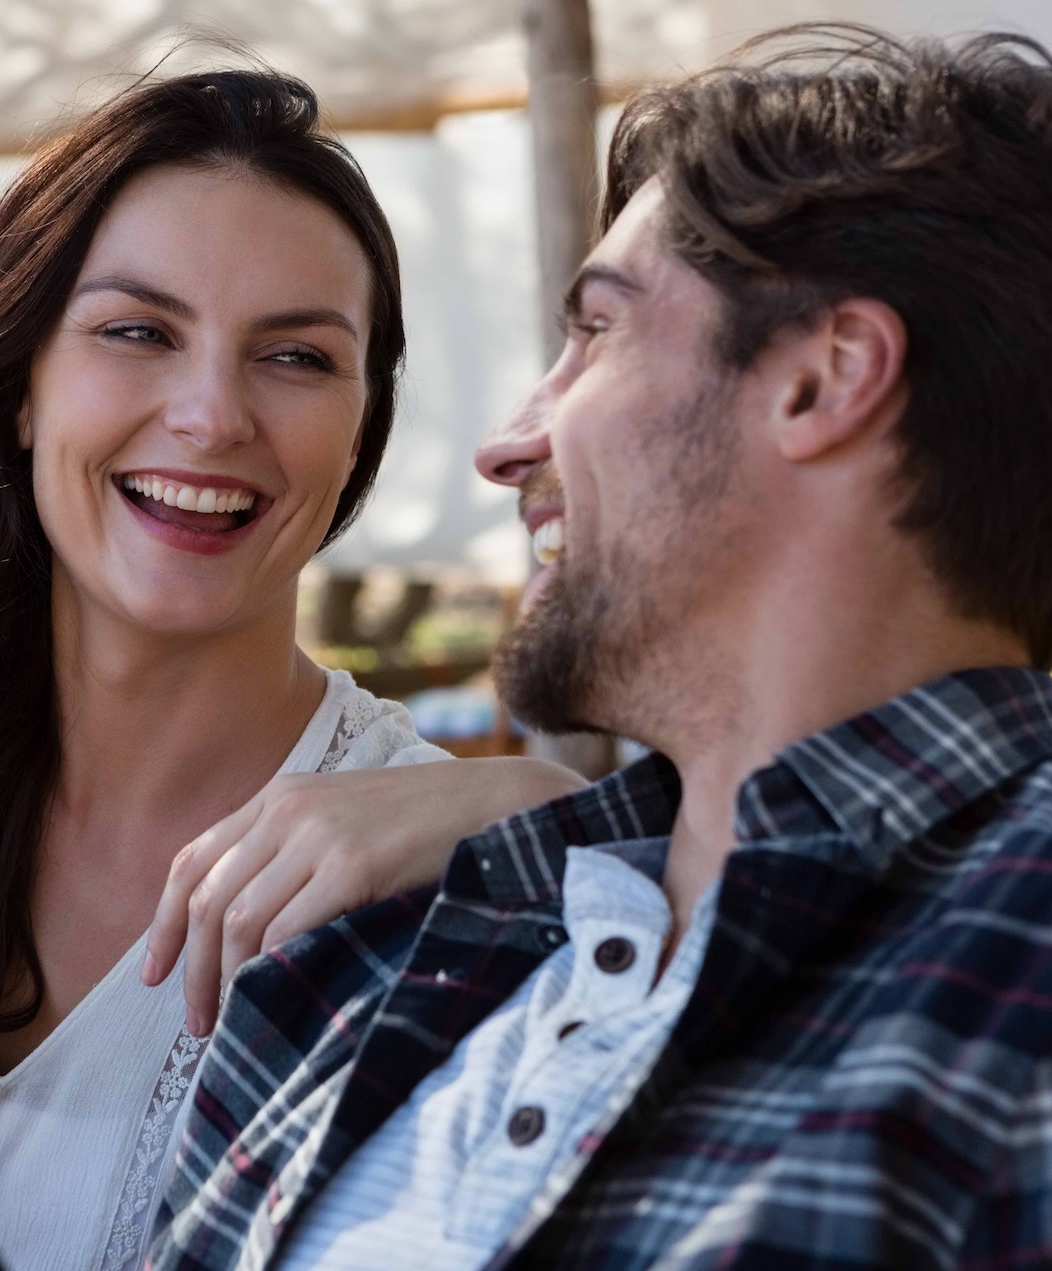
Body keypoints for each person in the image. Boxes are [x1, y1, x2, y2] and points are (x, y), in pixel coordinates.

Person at [149, 24, 1052, 1271]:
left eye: (598, 332)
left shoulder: (1015, 961)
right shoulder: (369, 965)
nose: (508, 444)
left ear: (822, 380)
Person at [0, 70, 584, 1268]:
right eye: (138, 332)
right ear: (21, 387)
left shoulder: (433, 862)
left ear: (363, 426)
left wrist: (563, 813)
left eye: (299, 357)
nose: (211, 415)